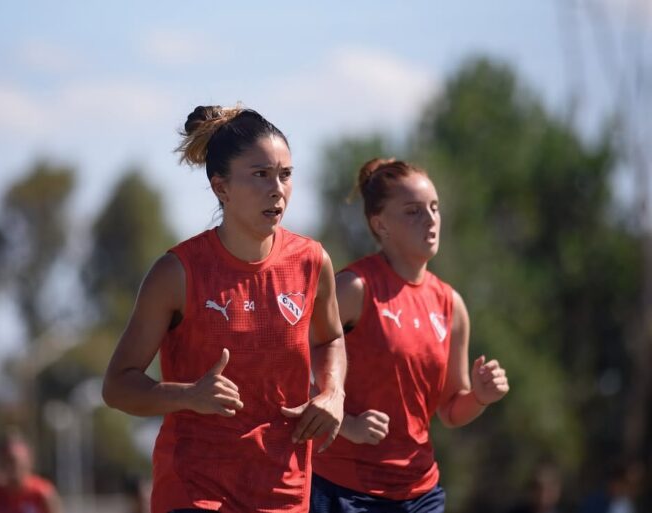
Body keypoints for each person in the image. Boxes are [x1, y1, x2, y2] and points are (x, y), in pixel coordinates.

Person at [102, 105, 347, 513]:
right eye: (260, 175)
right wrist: (189, 395)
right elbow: (117, 385)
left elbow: (332, 337)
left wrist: (333, 393)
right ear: (221, 188)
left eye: (285, 175)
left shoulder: (312, 262)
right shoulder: (177, 273)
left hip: (282, 487)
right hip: (194, 487)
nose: (277, 189)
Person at [311, 158, 510, 513]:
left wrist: (479, 397)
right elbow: (289, 369)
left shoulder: (451, 305)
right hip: (343, 491)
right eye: (413, 211)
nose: (431, 219)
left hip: (420, 494)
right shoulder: (354, 288)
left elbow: (450, 410)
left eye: (434, 208)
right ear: (380, 224)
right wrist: (347, 424)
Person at [0, 428, 61, 513]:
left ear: (28, 459)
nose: (11, 468)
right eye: (6, 461)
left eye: (14, 461)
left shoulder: (42, 494)